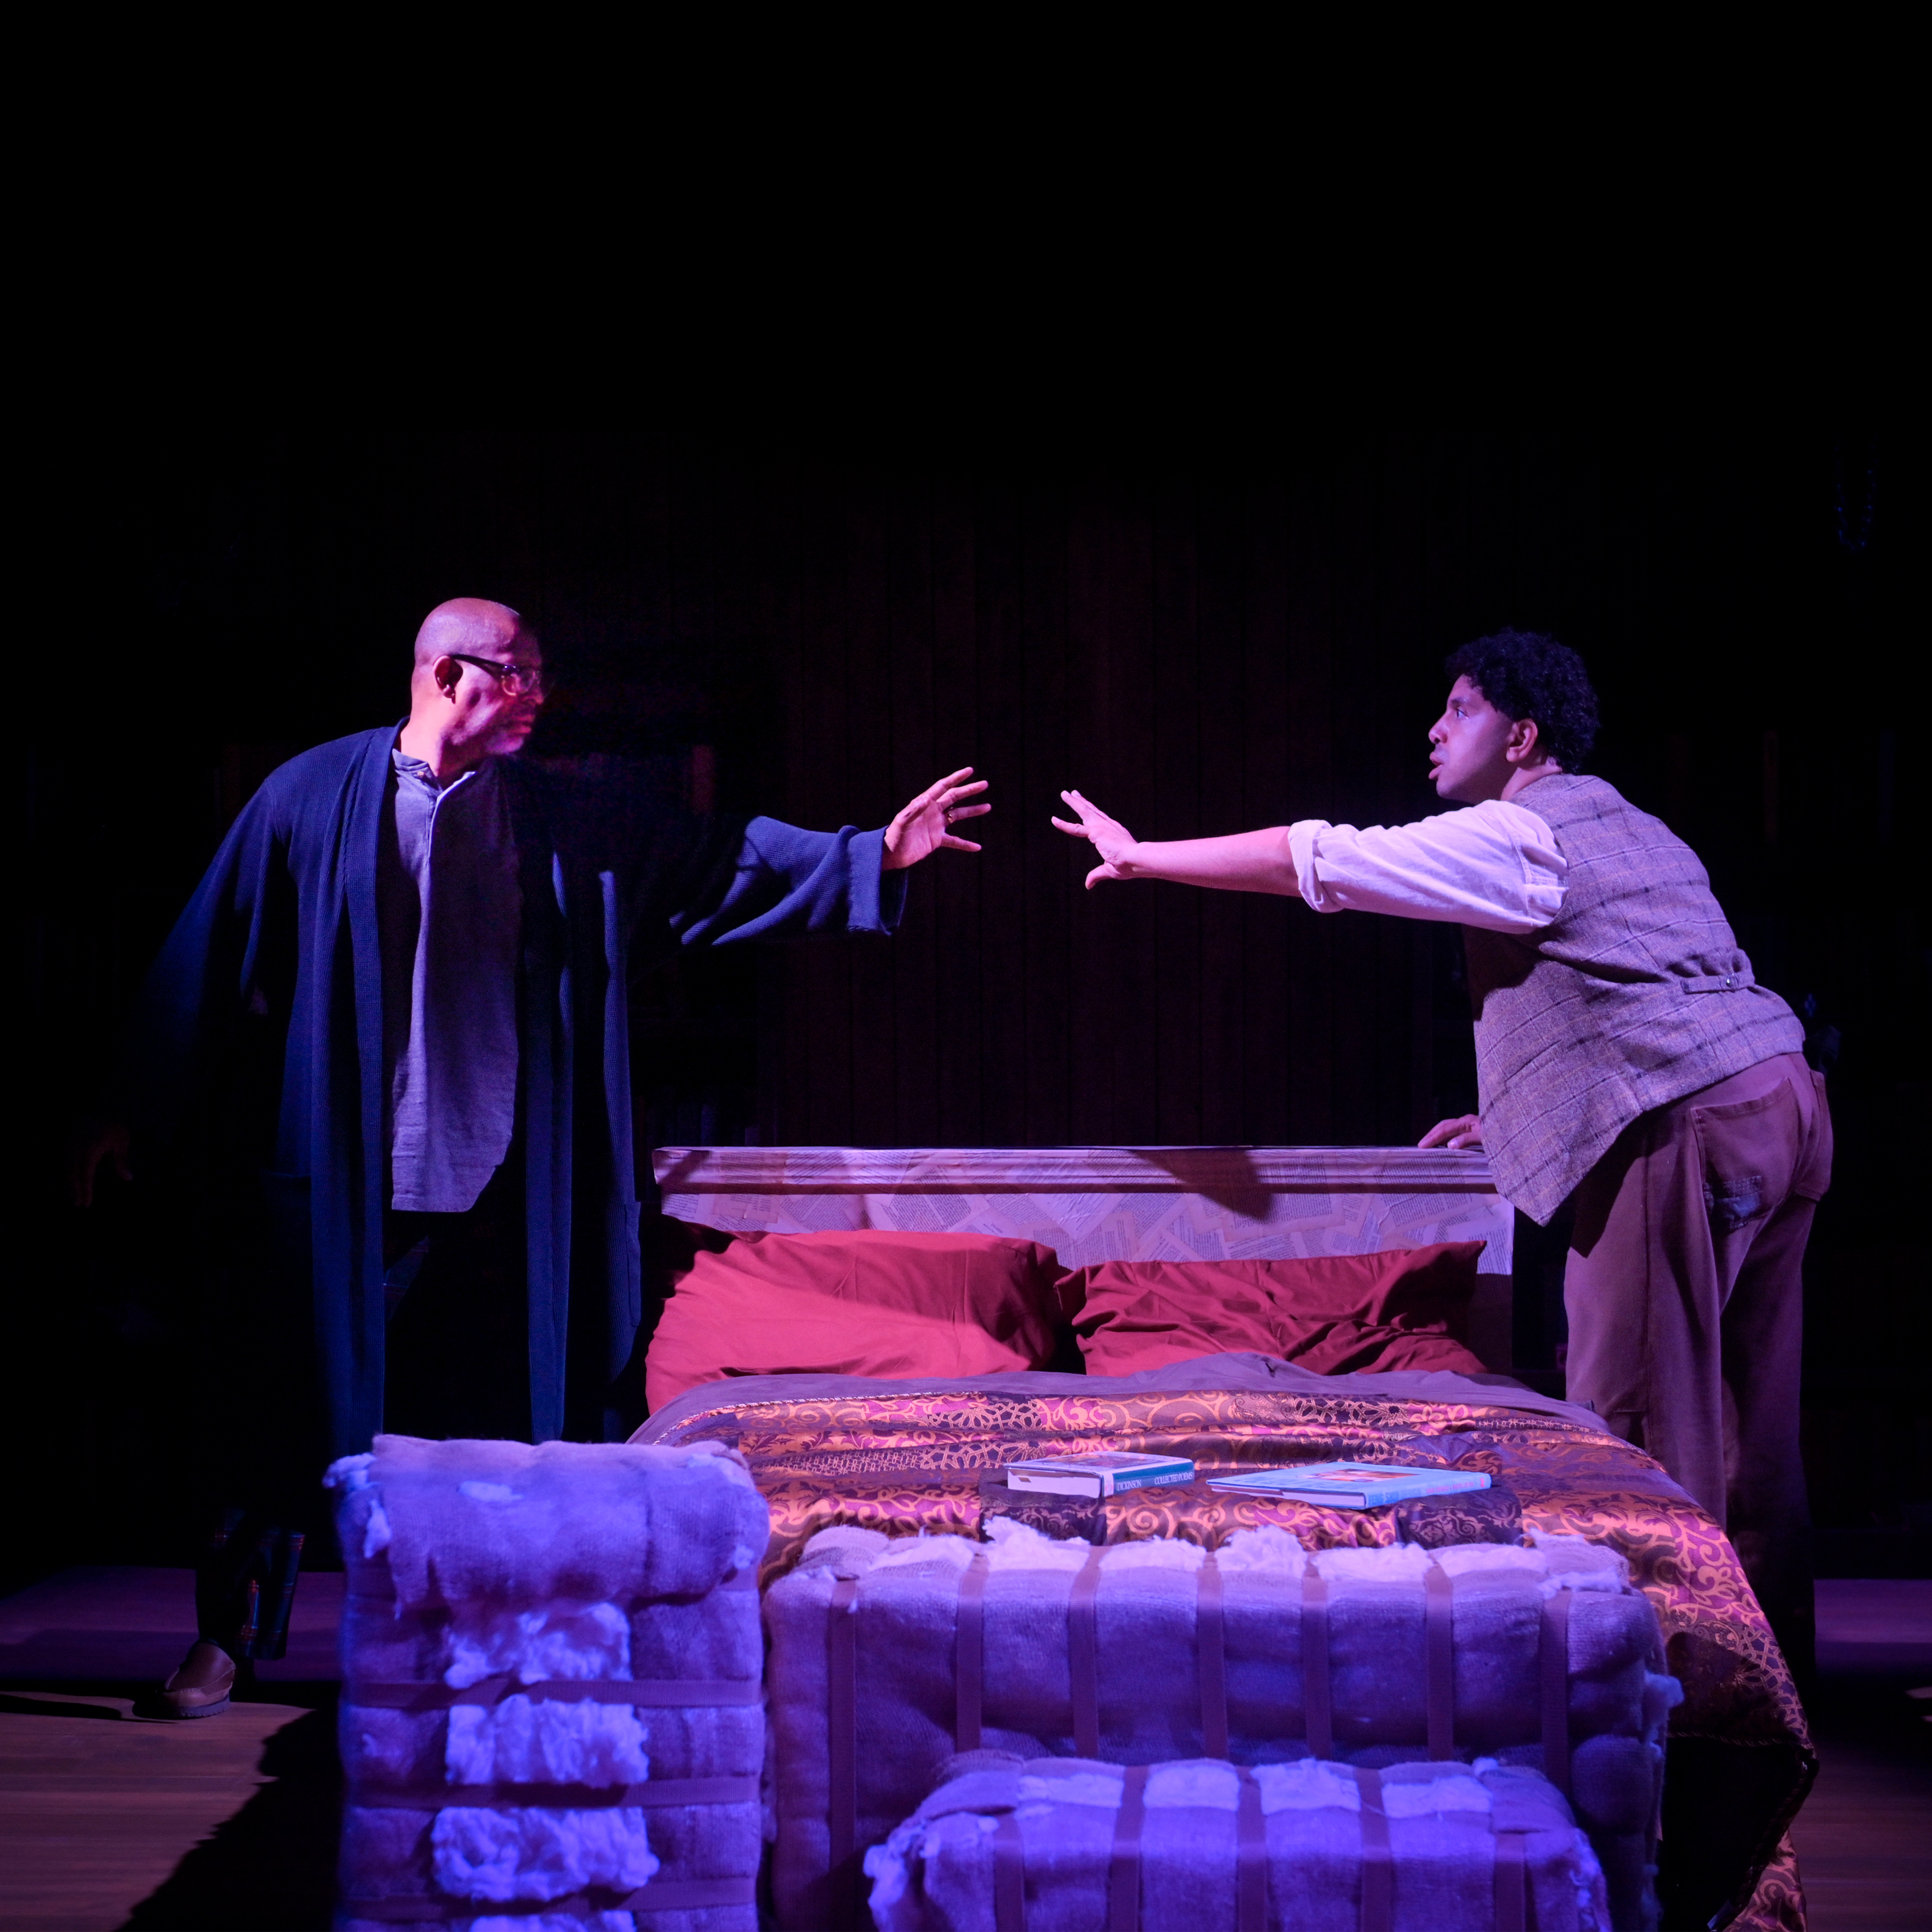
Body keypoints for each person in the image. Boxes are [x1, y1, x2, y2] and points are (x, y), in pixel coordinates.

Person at [72, 596, 990, 1716]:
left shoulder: (566, 816)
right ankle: (226, 1637)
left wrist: (870, 857)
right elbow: (213, 947)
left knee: (509, 1427)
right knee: (284, 1406)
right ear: (447, 675)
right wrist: (130, 1101)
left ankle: (511, 1644)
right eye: (517, 675)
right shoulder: (309, 797)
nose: (538, 697)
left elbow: (717, 862)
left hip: (509, 1179)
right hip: (350, 1180)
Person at [1052, 629, 1828, 1666]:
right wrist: (1522, 1106)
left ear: (1521, 736)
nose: (1435, 727)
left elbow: (1322, 856)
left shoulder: (1520, 835)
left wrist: (1147, 856)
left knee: (1636, 1417)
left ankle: (1664, 1701)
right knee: (1750, 1418)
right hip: (1783, 1099)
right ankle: (1771, 1696)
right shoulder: (1636, 826)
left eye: (1459, 710)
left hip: (1682, 1122)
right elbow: (1639, 981)